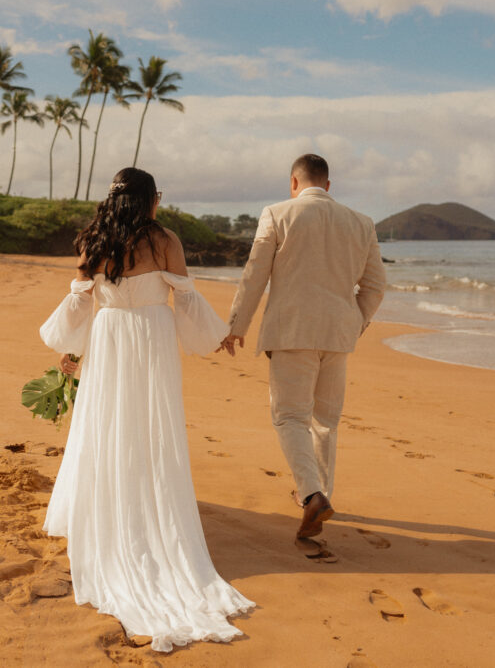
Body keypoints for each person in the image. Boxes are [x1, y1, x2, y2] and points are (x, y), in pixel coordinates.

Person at [38, 167, 253, 652]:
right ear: (150, 200)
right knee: (152, 429)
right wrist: (217, 336)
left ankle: (110, 507)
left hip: (109, 335)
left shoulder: (94, 239)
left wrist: (70, 349)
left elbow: (80, 299)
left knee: (105, 426)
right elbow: (186, 298)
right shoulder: (165, 240)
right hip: (151, 339)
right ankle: (150, 515)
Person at [220, 154, 386, 540]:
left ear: (293, 183)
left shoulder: (277, 214)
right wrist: (353, 323)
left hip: (291, 333)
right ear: (327, 186)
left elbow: (255, 274)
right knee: (325, 422)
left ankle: (311, 494)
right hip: (338, 336)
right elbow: (376, 286)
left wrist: (236, 326)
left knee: (291, 417)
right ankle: (319, 494)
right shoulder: (361, 223)